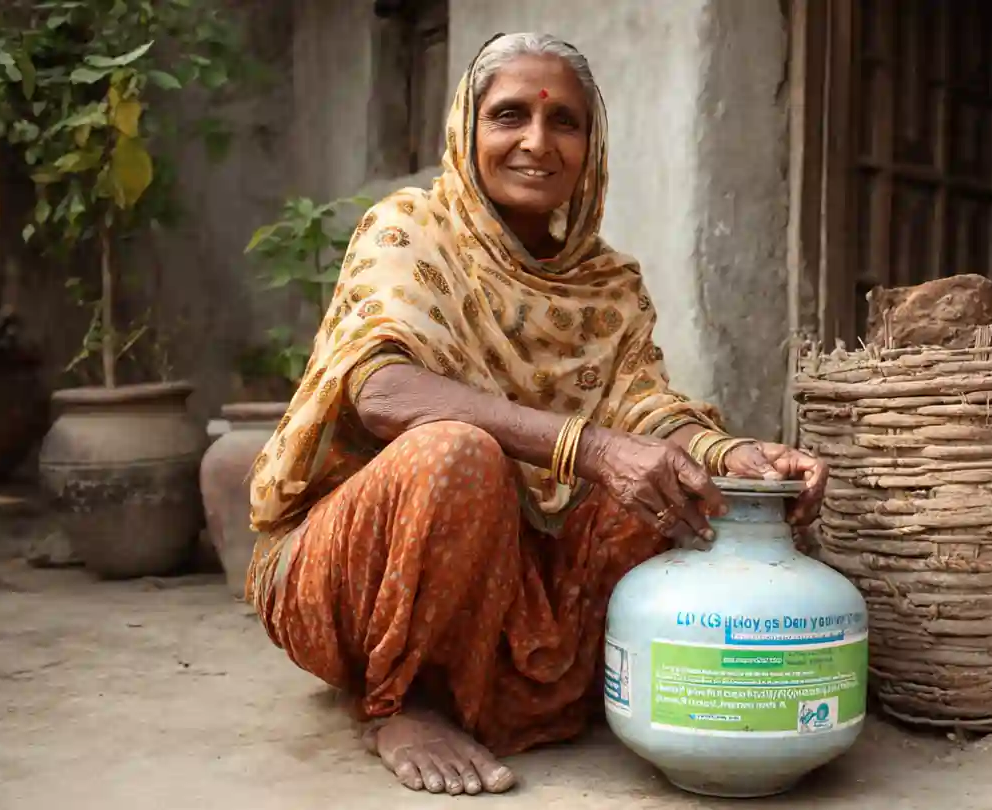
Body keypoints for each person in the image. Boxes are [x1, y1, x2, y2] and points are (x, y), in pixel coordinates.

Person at [244, 32, 829, 796]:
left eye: (565, 122)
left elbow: (644, 408)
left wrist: (733, 457)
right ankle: (400, 699)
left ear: (592, 146)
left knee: (666, 488)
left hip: (510, 568)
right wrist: (589, 448)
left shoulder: (608, 283)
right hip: (354, 572)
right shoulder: (409, 230)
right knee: (456, 453)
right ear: (467, 128)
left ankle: (513, 688)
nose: (537, 142)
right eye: (509, 115)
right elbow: (383, 390)